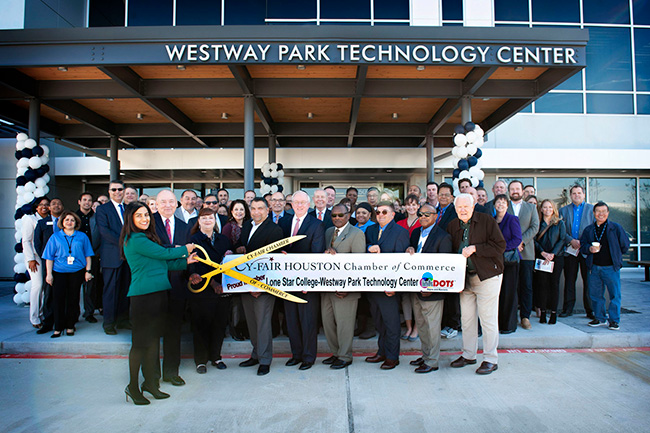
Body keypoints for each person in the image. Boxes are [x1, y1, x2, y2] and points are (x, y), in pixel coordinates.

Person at [121, 202, 196, 405]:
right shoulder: (135, 239)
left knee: (153, 342)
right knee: (140, 345)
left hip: (158, 295)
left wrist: (186, 262)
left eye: (146, 215)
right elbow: (164, 254)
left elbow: (161, 262)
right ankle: (133, 387)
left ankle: (150, 385)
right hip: (143, 298)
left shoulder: (146, 238)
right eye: (139, 216)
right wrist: (185, 249)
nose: (145, 219)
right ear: (131, 219)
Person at [448, 194, 506, 375]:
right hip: (464, 279)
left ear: (473, 206)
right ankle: (468, 355)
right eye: (459, 207)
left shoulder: (487, 221)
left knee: (487, 320)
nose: (462, 210)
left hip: (486, 276)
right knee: (467, 320)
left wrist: (476, 248)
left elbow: (500, 246)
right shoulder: (453, 225)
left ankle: (490, 359)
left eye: (466, 206)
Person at [235, 197, 284, 376]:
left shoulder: (275, 230)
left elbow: (272, 262)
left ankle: (265, 360)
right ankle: (255, 354)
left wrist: (260, 286)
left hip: (263, 285)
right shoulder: (247, 226)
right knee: (252, 322)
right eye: (253, 208)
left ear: (267, 210)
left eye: (260, 208)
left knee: (263, 323)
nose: (256, 212)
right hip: (245, 283)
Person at [279, 190, 326, 370]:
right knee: (291, 320)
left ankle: (308, 357)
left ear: (309, 204)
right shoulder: (283, 223)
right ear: (291, 204)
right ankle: (296, 354)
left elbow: (316, 255)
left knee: (308, 322)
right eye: (296, 202)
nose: (299, 206)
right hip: (287, 282)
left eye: (303, 203)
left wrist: (308, 280)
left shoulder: (316, 224)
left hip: (307, 282)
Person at [406, 204, 453, 373]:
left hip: (431, 290)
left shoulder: (443, 236)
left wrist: (432, 286)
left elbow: (444, 267)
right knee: (422, 325)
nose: (423, 216)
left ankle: (432, 361)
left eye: (427, 214)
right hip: (415, 287)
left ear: (435, 216)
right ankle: (426, 355)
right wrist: (409, 249)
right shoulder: (416, 233)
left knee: (432, 328)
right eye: (421, 214)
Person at [364, 201, 410, 370]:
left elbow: (400, 263)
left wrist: (394, 285)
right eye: (378, 212)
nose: (381, 215)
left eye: (385, 212)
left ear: (392, 215)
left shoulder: (401, 232)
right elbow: (363, 251)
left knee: (391, 324)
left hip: (389, 287)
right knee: (378, 322)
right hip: (373, 284)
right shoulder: (371, 230)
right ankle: (381, 351)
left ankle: (392, 356)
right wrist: (369, 248)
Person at [187, 208, 233, 373]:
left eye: (210, 218)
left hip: (223, 290)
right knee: (201, 326)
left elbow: (228, 263)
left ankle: (216, 357)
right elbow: (195, 265)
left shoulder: (223, 240)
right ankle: (201, 361)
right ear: (198, 221)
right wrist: (213, 283)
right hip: (203, 290)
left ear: (215, 220)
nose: (208, 220)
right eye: (204, 218)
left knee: (219, 325)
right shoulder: (193, 240)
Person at [153, 189, 190, 387]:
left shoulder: (185, 227)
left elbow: (186, 255)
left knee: (173, 331)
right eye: (163, 202)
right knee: (152, 331)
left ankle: (171, 371)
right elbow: (152, 252)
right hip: (154, 284)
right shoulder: (147, 224)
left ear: (177, 204)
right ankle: (152, 376)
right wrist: (174, 251)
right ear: (156, 205)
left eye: (171, 202)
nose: (167, 205)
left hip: (176, 285)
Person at [322, 204, 365, 370]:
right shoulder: (328, 232)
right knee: (328, 323)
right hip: (327, 287)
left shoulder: (357, 234)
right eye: (334, 216)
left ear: (348, 215)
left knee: (344, 325)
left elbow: (359, 265)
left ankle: (345, 356)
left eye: (341, 215)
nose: (337, 218)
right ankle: (335, 353)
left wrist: (349, 287)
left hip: (345, 291)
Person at [43, 210, 94, 338]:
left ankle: (70, 325)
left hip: (77, 272)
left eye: (72, 220)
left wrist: (88, 271)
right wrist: (49, 274)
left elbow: (88, 255)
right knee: (58, 299)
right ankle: (58, 327)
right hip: (59, 271)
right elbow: (49, 257)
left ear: (76, 222)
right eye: (67, 220)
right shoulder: (55, 237)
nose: (69, 222)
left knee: (73, 299)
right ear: (62, 222)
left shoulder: (82, 236)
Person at [580, 202, 630, 330]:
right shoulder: (589, 229)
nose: (601, 214)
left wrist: (616, 257)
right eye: (598, 211)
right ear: (594, 213)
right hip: (594, 267)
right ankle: (600, 318)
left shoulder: (615, 228)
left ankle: (614, 320)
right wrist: (589, 248)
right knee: (595, 295)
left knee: (614, 295)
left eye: (603, 211)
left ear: (608, 213)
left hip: (611, 267)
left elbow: (625, 245)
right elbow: (582, 246)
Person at [95, 180, 131, 335]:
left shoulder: (129, 208)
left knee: (126, 289)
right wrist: (126, 242)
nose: (117, 192)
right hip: (112, 256)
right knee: (110, 291)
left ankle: (123, 320)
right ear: (109, 192)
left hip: (129, 257)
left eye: (120, 189)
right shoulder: (102, 209)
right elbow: (104, 232)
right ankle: (109, 323)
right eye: (114, 189)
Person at [507, 180, 539, 330]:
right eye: (512, 189)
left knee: (526, 286)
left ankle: (525, 316)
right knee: (510, 286)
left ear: (522, 191)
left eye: (517, 189)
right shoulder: (503, 206)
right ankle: (510, 316)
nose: (515, 191)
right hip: (508, 253)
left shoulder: (531, 207)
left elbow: (535, 227)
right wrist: (514, 243)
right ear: (509, 191)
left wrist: (522, 241)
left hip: (526, 252)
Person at [559, 185, 594, 318]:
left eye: (579, 193)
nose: (576, 195)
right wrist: (571, 241)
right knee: (569, 280)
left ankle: (590, 310)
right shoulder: (563, 210)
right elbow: (561, 230)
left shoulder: (591, 210)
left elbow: (593, 229)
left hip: (586, 250)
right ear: (570, 195)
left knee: (588, 281)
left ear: (584, 195)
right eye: (574, 193)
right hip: (570, 250)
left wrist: (583, 243)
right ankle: (568, 309)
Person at [33, 198, 64, 334]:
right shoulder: (42, 223)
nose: (56, 205)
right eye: (53, 204)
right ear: (49, 208)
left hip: (65, 264)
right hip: (49, 264)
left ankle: (64, 321)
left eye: (59, 203)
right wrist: (46, 258)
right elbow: (37, 243)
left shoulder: (67, 221)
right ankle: (48, 322)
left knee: (65, 293)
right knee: (49, 294)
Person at [534, 199, 566, 325]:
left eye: (550, 207)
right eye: (545, 207)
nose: (547, 210)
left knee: (554, 285)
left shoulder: (559, 223)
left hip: (556, 258)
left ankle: (553, 313)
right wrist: (543, 253)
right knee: (542, 286)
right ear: (541, 209)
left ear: (554, 209)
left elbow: (562, 239)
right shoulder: (537, 223)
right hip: (542, 258)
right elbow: (534, 240)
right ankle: (542, 312)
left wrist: (552, 253)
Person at [493, 194, 522, 334]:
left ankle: (508, 325)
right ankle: (497, 323)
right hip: (495, 262)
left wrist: (501, 248)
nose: (500, 205)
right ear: (494, 205)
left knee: (509, 292)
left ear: (507, 205)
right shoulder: (492, 221)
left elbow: (517, 239)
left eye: (503, 203)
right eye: (498, 202)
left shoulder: (512, 219)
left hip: (509, 262)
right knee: (497, 293)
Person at [435, 183, 461, 339]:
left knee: (452, 293)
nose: (443, 197)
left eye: (446, 195)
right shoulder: (435, 212)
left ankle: (453, 325)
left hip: (450, 255)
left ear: (452, 197)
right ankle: (443, 323)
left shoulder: (455, 212)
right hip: (437, 256)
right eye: (441, 194)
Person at [22, 197, 50, 329]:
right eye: (41, 205)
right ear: (36, 207)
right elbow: (26, 240)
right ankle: (34, 317)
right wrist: (30, 259)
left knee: (45, 287)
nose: (44, 207)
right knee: (37, 286)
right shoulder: (30, 219)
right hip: (35, 258)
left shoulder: (49, 220)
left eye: (46, 204)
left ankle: (42, 314)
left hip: (47, 258)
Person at [397, 194, 421, 341]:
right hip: (404, 266)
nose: (411, 207)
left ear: (418, 206)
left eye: (414, 205)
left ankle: (417, 328)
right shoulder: (400, 223)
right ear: (404, 207)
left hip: (418, 266)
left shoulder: (423, 221)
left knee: (416, 298)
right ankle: (409, 327)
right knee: (405, 298)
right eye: (408, 205)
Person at [76, 192, 98, 323]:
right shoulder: (73, 217)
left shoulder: (96, 217)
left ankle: (89, 313)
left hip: (92, 255)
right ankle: (74, 313)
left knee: (90, 286)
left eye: (89, 200)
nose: (87, 202)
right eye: (84, 200)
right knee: (75, 286)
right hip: (76, 257)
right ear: (79, 201)